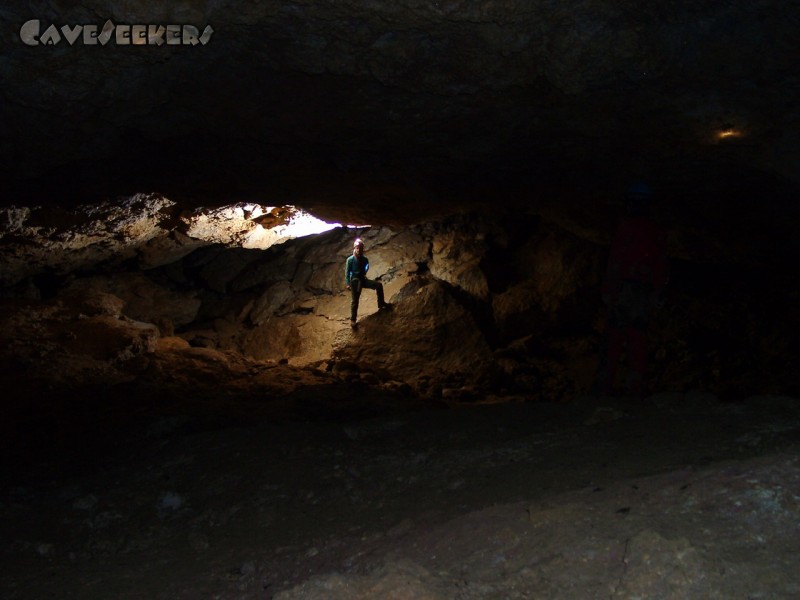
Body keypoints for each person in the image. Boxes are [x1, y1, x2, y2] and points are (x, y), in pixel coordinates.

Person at [600, 183, 669, 399]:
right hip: (642, 292)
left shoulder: (626, 227)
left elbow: (616, 261)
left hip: (624, 289)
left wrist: (609, 290)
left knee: (615, 336)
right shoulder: (655, 231)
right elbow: (660, 263)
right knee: (637, 336)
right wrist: (659, 291)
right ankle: (635, 387)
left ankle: (605, 386)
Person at [345, 238, 389, 326]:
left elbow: (366, 267)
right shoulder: (350, 260)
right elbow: (347, 272)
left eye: (360, 248)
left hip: (362, 279)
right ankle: (353, 320)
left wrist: (364, 274)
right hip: (355, 281)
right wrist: (348, 283)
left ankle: (381, 303)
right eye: (357, 248)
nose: (359, 249)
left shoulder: (365, 259)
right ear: (354, 248)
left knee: (378, 285)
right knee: (355, 300)